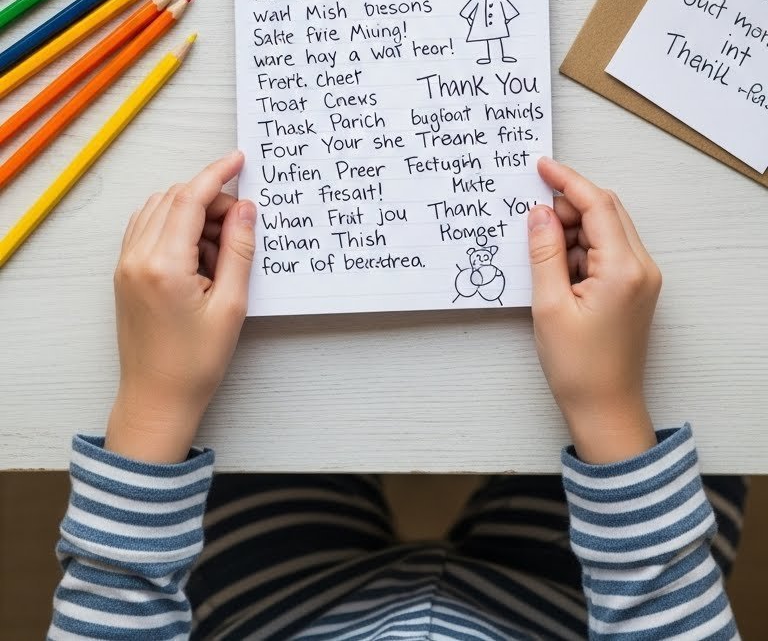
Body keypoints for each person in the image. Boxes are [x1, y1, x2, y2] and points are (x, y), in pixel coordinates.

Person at [48, 153, 744, 640]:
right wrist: (608, 404)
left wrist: (157, 397)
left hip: (284, 605)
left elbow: (112, 602)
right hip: (559, 606)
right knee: (723, 426)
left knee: (255, 423)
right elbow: (668, 600)